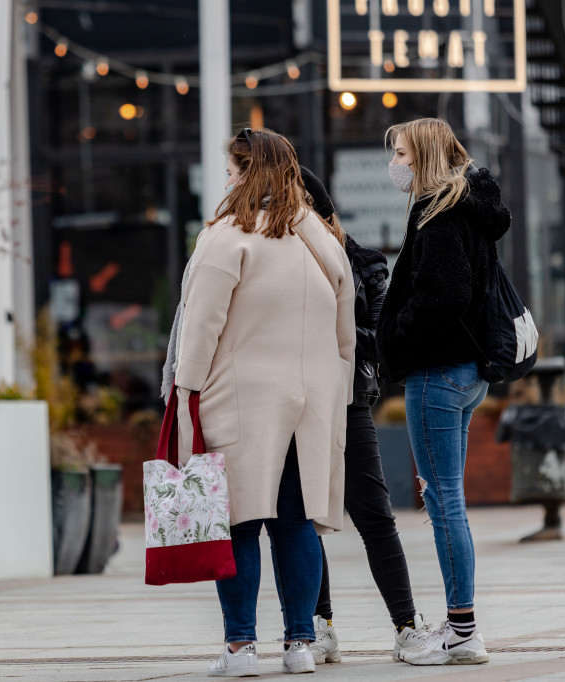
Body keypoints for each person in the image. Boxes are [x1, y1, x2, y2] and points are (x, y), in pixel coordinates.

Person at [171, 127, 355, 677]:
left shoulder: (227, 237)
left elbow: (201, 327)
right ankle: (300, 643)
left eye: (231, 169)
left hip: (240, 398)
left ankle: (240, 647)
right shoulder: (322, 240)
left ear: (248, 172)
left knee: (239, 522)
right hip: (313, 400)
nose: (226, 179)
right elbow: (345, 333)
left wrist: (186, 391)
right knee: (297, 522)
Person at [376, 118, 511, 665]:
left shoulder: (438, 217)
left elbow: (442, 298)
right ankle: (462, 625)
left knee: (444, 500)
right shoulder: (471, 208)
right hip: (467, 372)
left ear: (425, 157)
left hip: (436, 373)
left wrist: (396, 336)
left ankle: (462, 629)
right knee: (447, 498)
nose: (397, 164)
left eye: (403, 154)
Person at [297, 167, 429, 666]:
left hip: (349, 401)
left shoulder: (364, 264)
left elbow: (380, 333)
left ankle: (407, 624)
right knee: (302, 520)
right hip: (297, 403)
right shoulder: (282, 257)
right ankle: (319, 623)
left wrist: (342, 352)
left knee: (374, 515)